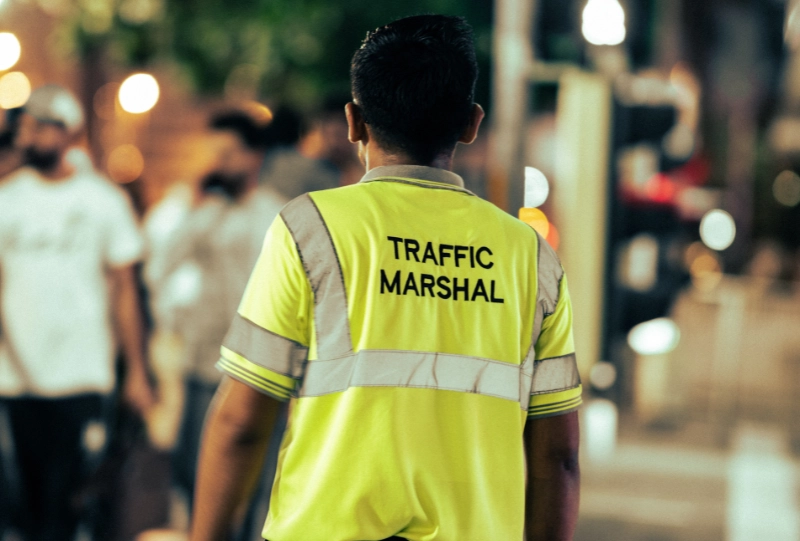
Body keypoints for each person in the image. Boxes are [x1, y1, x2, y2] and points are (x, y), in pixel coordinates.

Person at [192, 15, 581, 541]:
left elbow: (240, 424)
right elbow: (557, 456)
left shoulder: (309, 229)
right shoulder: (531, 257)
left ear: (354, 121)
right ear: (471, 123)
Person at [0, 85, 154, 541]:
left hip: (82, 371)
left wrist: (137, 373)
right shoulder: (7, 198)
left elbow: (126, 292)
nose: (27, 135)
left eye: (38, 126)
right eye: (24, 126)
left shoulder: (103, 201)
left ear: (68, 132)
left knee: (68, 501)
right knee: (24, 503)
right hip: (15, 376)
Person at [143, 109, 285, 510]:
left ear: (255, 156)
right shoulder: (205, 214)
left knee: (257, 484)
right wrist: (195, 206)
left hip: (261, 371)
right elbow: (161, 267)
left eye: (230, 154)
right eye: (215, 154)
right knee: (195, 477)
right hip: (204, 365)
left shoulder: (277, 215)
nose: (220, 164)